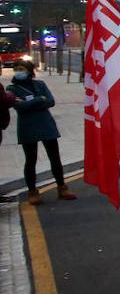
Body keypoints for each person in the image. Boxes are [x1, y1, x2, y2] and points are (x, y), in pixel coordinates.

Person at [9, 60, 76, 204]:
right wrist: (39, 99)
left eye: (21, 69)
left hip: (46, 124)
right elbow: (19, 107)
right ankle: (32, 192)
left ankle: (62, 187)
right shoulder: (12, 89)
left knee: (55, 157)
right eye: (16, 69)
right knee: (31, 159)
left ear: (28, 70)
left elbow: (51, 101)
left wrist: (30, 103)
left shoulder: (40, 84)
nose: (18, 72)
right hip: (27, 126)